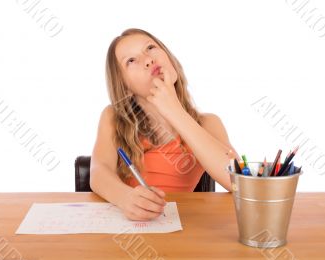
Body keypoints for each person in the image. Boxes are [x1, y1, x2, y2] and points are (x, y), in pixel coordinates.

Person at [90, 28, 239, 221]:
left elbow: (238, 182)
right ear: (124, 86)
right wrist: (125, 198)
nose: (148, 59)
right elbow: (98, 171)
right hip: (134, 226)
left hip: (181, 230)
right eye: (131, 60)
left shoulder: (208, 123)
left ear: (170, 59)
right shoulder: (113, 118)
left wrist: (174, 111)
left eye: (150, 48)